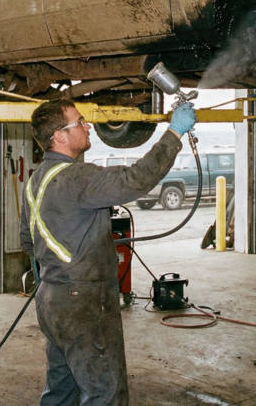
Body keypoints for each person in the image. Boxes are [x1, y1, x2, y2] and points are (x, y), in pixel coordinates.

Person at [21, 98, 197, 405]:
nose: (88, 126)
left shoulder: (37, 179)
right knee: (105, 392)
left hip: (51, 298)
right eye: (79, 122)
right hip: (83, 303)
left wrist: (69, 251)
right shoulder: (77, 177)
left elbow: (28, 240)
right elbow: (135, 179)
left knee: (61, 388)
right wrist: (174, 133)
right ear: (59, 136)